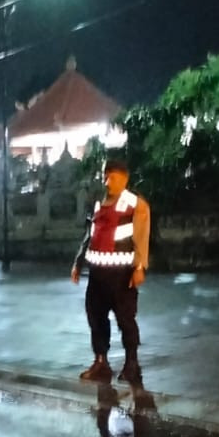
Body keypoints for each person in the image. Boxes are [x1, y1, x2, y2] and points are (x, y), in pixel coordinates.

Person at [72, 157, 150, 385]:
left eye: (113, 177)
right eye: (106, 176)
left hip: (122, 273)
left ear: (124, 178)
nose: (108, 182)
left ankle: (131, 364)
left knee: (126, 319)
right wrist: (78, 262)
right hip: (97, 273)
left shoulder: (136, 205)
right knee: (96, 317)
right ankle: (101, 362)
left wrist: (139, 267)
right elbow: (90, 235)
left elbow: (141, 237)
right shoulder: (99, 204)